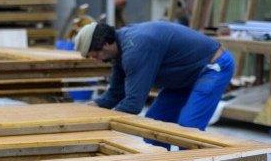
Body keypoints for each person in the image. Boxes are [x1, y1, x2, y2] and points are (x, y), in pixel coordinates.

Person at [74, 21, 234, 149]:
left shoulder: (135, 49)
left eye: (95, 55)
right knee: (154, 126)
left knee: (189, 130)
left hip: (212, 67)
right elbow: (115, 93)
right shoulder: (120, 50)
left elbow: (133, 104)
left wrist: (103, 123)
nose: (97, 60)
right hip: (184, 77)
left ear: (105, 44)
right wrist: (91, 108)